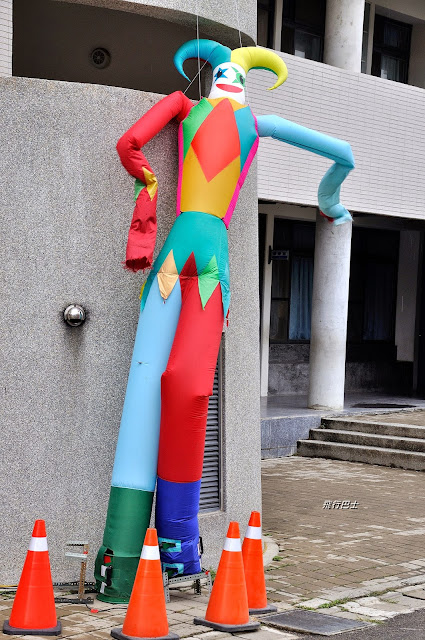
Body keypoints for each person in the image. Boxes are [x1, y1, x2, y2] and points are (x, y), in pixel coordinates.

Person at [95, 39, 355, 602]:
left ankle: (164, 556)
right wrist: (333, 203)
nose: (229, 81)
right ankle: (139, 560)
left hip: (197, 255)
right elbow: (344, 154)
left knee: (182, 388)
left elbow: (129, 144)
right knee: (166, 386)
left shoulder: (231, 117)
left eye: (231, 74)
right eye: (230, 74)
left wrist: (148, 182)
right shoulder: (210, 112)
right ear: (228, 80)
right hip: (190, 255)